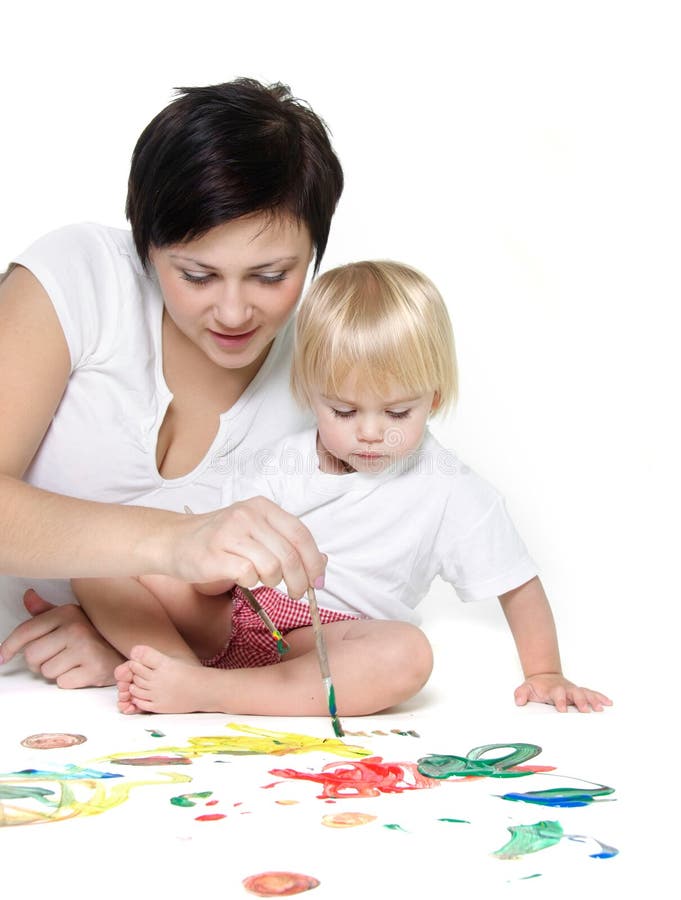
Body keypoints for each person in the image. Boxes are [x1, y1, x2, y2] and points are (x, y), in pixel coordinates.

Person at [76, 261, 612, 717]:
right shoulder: (281, 460)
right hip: (234, 614)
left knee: (408, 654)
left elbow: (517, 584)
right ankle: (179, 671)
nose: (371, 431)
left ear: (436, 395)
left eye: (398, 411)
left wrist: (546, 672)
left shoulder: (452, 492)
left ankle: (207, 692)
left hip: (331, 641)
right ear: (310, 392)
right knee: (99, 557)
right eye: (344, 410)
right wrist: (222, 566)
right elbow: (213, 575)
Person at [0, 78, 345, 687]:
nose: (235, 313)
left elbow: (267, 615)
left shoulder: (321, 376)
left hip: (103, 706)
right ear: (147, 245)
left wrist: (130, 650)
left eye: (270, 276)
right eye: (197, 274)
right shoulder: (76, 278)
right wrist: (175, 540)